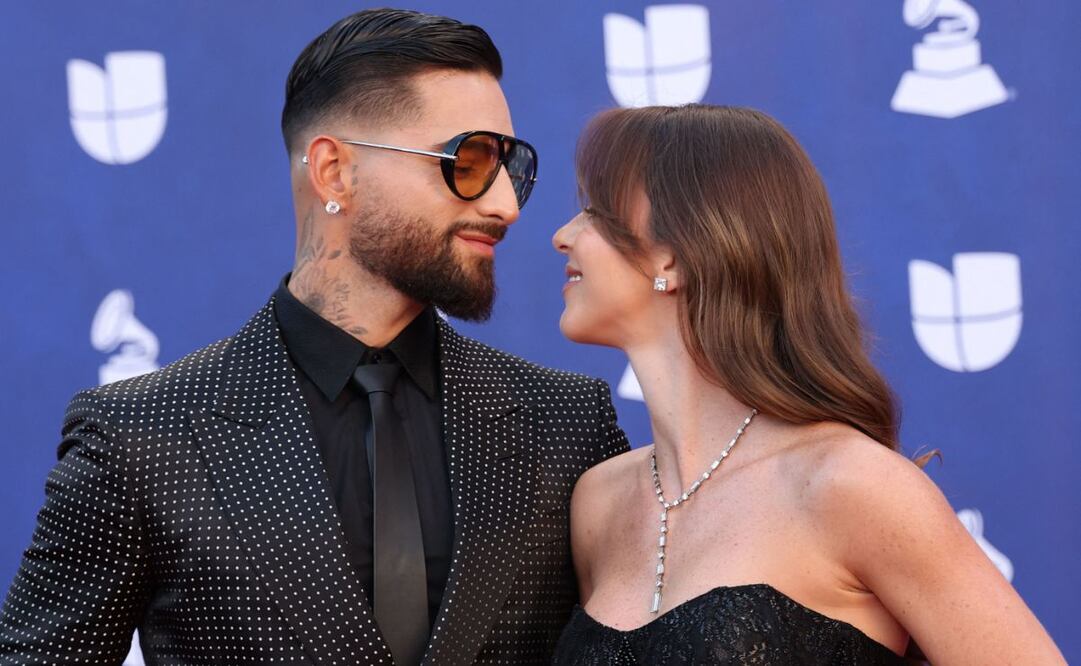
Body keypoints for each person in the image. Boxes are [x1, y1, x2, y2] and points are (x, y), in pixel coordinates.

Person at [0, 9, 627, 665]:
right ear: (334, 172)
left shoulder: (567, 424)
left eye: (510, 165)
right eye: (467, 161)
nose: (504, 204)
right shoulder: (142, 433)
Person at [549, 105, 1065, 664]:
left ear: (674, 254)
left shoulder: (849, 485)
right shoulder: (599, 503)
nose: (562, 236)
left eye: (594, 212)